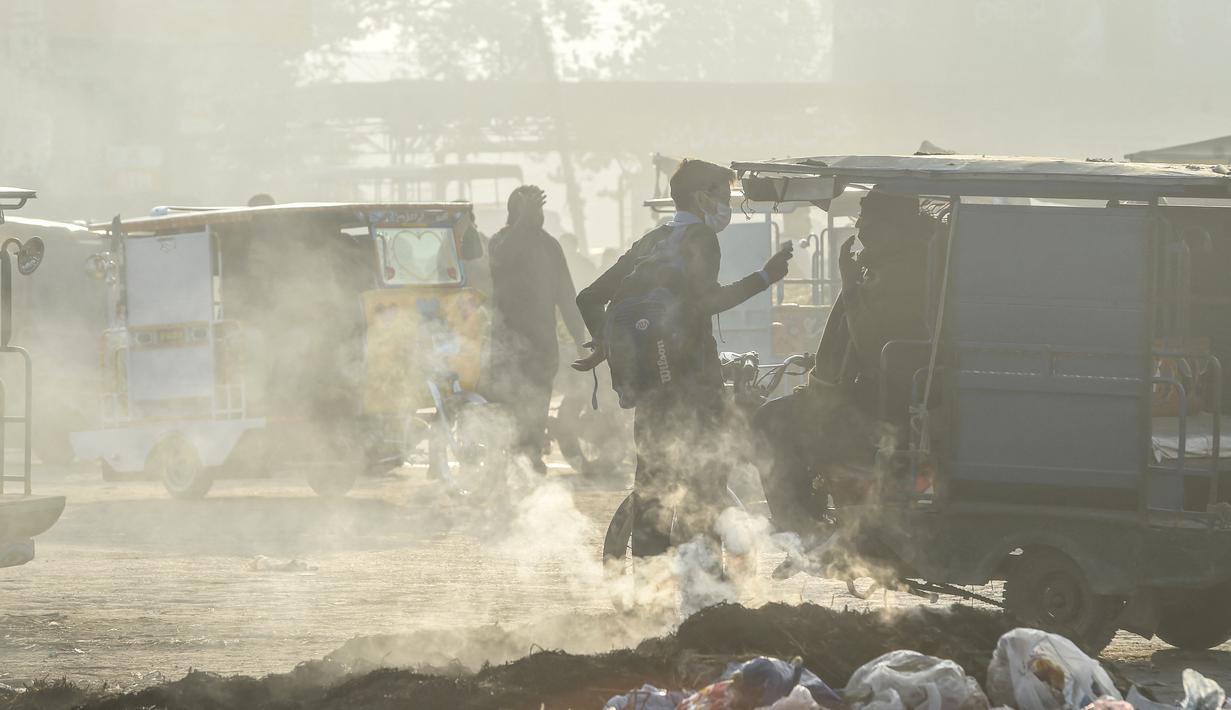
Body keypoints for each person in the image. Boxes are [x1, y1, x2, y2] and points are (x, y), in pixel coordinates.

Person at [574, 159, 793, 558]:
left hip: (651, 392)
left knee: (652, 490)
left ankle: (646, 595)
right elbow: (705, 302)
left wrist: (609, 343)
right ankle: (703, 598)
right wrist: (765, 277)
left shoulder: (650, 241)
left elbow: (587, 298)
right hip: (696, 389)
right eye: (724, 197)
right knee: (705, 490)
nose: (727, 206)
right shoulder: (701, 239)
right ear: (701, 197)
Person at [753, 188, 932, 542]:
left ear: (891, 223)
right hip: (864, 392)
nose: (860, 223)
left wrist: (848, 282)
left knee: (768, 421)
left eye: (868, 215)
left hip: (875, 401)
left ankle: (802, 528)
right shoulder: (890, 262)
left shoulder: (900, 271)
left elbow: (869, 344)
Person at [487, 185, 588, 473]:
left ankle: (529, 460)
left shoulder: (550, 246)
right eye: (530, 208)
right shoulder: (501, 241)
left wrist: (581, 341)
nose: (537, 214)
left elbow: (567, 297)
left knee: (537, 408)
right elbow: (503, 259)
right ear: (515, 213)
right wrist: (522, 222)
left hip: (543, 348)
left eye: (538, 208)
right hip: (508, 348)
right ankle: (506, 467)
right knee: (509, 411)